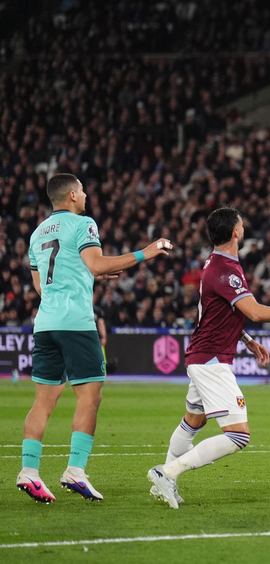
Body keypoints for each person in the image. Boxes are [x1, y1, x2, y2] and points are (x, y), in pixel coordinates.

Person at [147, 207, 270, 509]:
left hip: (204, 356)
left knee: (193, 421)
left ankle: (167, 483)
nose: (244, 228)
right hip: (211, 362)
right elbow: (253, 311)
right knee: (238, 436)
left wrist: (248, 339)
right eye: (241, 225)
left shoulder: (217, 264)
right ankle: (167, 472)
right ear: (235, 233)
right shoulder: (225, 271)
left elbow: (219, 314)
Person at [19, 173, 172, 503]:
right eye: (83, 190)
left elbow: (40, 287)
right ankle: (75, 471)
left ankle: (29, 472)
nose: (86, 195)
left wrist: (91, 272)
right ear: (72, 195)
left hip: (45, 322)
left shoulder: (36, 233)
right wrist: (147, 252)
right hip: (76, 323)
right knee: (90, 396)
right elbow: (95, 263)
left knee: (43, 402)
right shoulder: (82, 223)